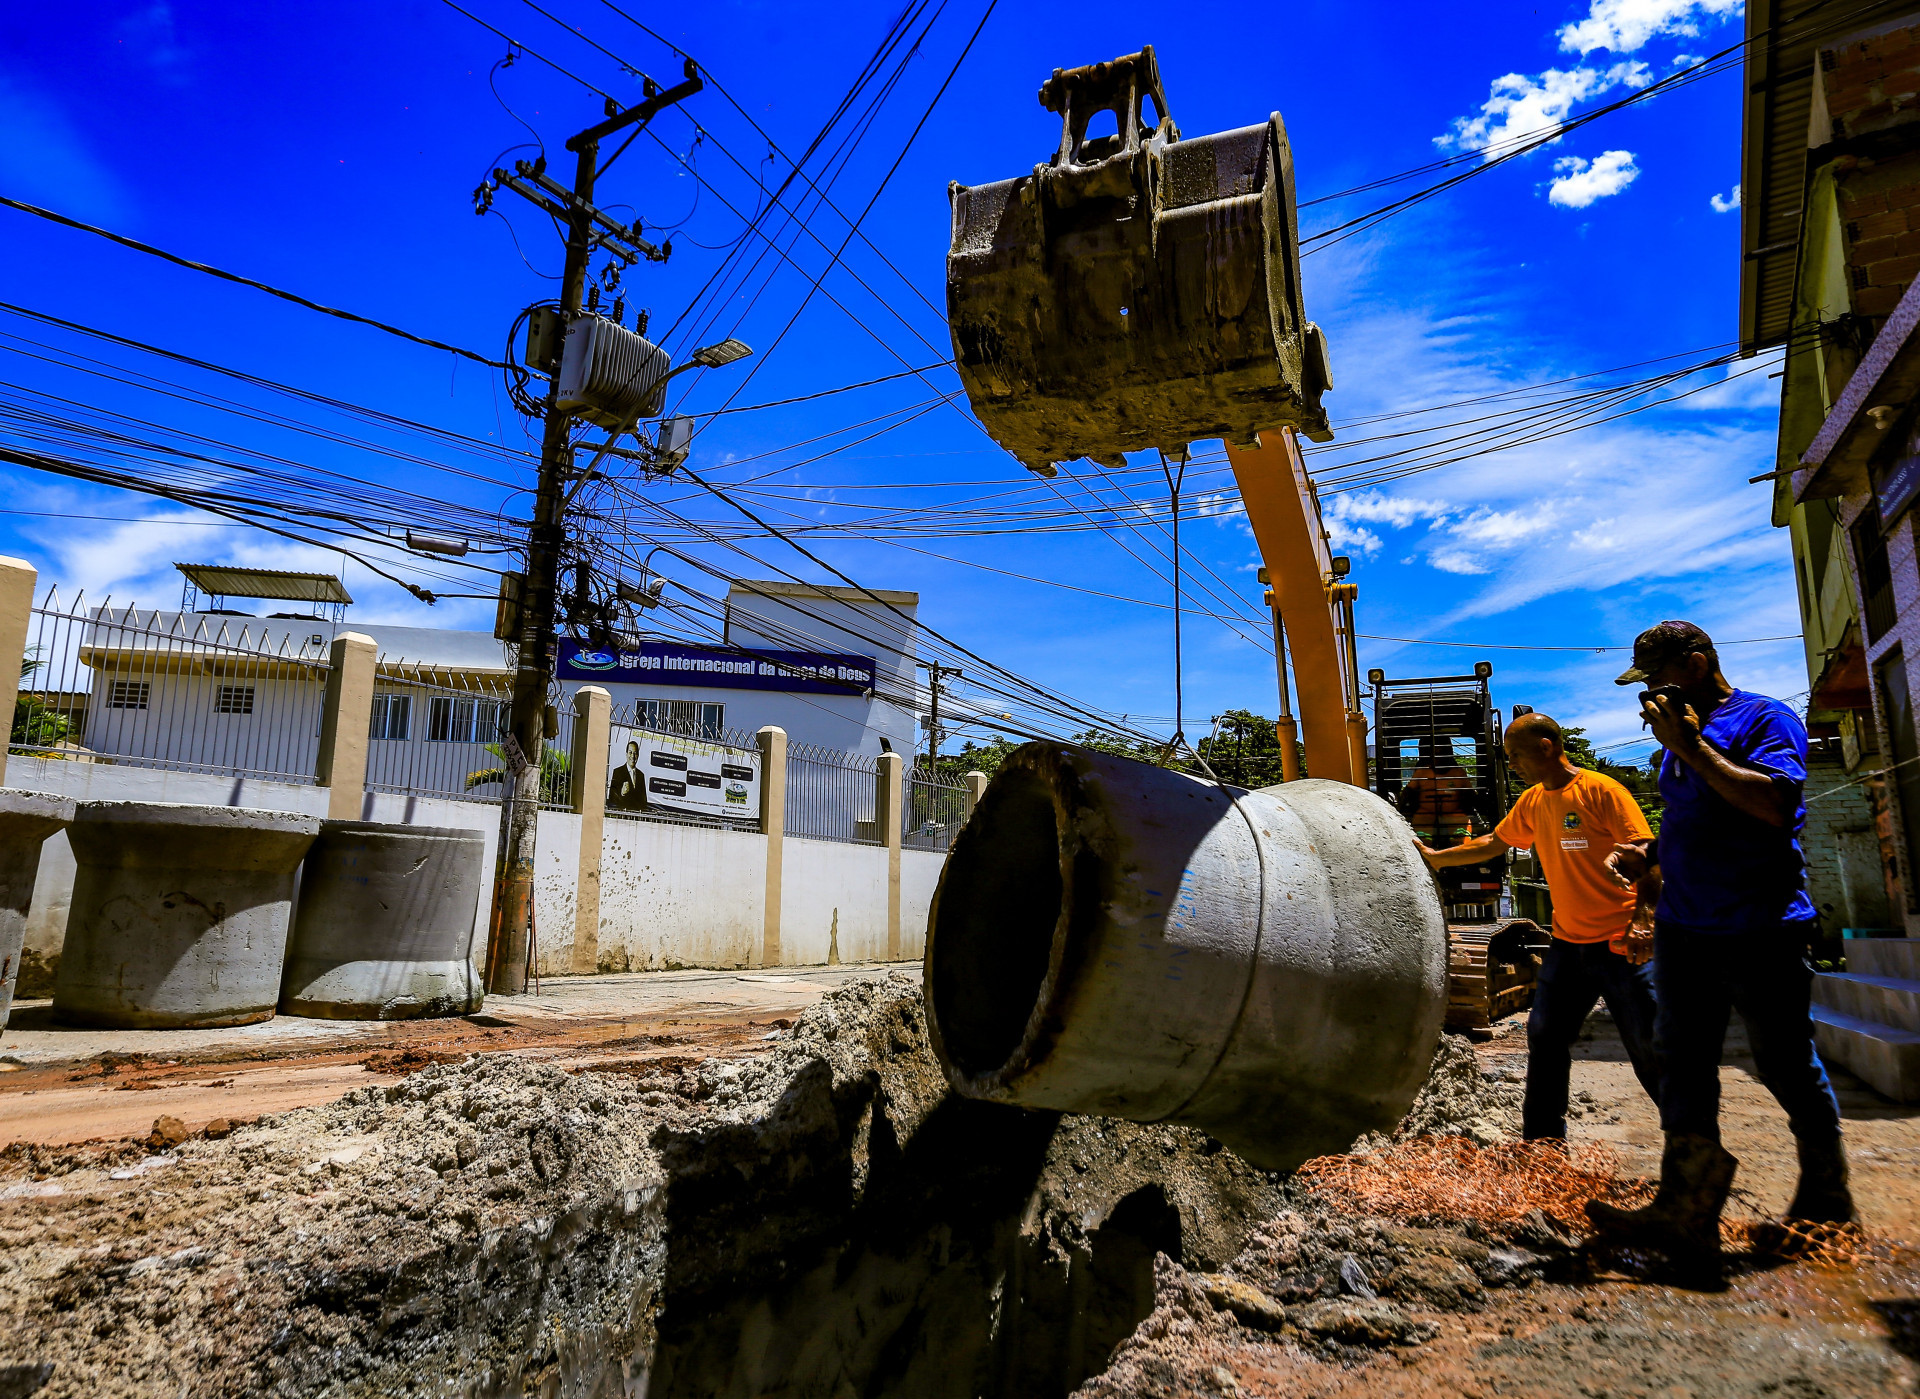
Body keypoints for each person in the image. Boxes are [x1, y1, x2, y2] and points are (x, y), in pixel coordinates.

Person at [1586, 620, 1849, 1268]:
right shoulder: (1680, 739)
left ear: (1697, 663)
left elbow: (1774, 807)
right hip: (1686, 928)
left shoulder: (1764, 719)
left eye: (1657, 679)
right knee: (1681, 1059)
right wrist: (1648, 851)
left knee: (1785, 1060)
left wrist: (1695, 747)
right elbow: (1696, 817)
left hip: (1759, 926)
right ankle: (1687, 1209)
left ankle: (1827, 1200)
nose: (1649, 695)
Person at [1416, 713, 1661, 1143]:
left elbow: (1646, 854)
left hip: (1621, 942)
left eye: (1515, 756)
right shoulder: (1532, 801)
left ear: (1546, 748)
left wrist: (1644, 919)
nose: (1511, 765)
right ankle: (1543, 1144)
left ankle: (1692, 1142)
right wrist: (1437, 858)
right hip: (1568, 944)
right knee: (1545, 1039)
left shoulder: (1602, 791)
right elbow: (1494, 842)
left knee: (1650, 1048)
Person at [608, 739, 645, 811]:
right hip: (622, 815)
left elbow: (643, 801)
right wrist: (622, 793)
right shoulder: (617, 772)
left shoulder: (641, 775)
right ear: (626, 754)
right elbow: (611, 797)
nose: (633, 756)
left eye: (635, 753)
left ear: (638, 755)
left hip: (636, 817)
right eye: (630, 752)